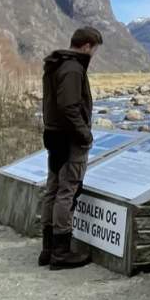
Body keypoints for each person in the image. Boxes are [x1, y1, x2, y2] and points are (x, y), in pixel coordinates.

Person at [38, 26, 101, 268]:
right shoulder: (73, 69)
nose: (93, 54)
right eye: (94, 49)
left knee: (53, 188)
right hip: (70, 138)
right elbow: (69, 107)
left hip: (54, 136)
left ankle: (48, 248)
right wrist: (85, 135)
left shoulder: (55, 64)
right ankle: (61, 252)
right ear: (86, 46)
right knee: (68, 191)